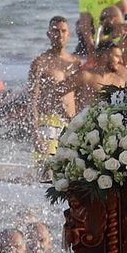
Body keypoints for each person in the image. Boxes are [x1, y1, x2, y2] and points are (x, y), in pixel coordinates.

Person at [27, 16, 80, 152]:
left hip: (71, 123)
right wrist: (35, 134)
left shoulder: (76, 63)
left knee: (73, 164)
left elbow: (80, 97)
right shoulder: (40, 62)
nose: (60, 35)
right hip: (48, 123)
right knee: (46, 164)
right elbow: (32, 100)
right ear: (48, 34)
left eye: (63, 31)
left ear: (69, 34)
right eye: (56, 31)